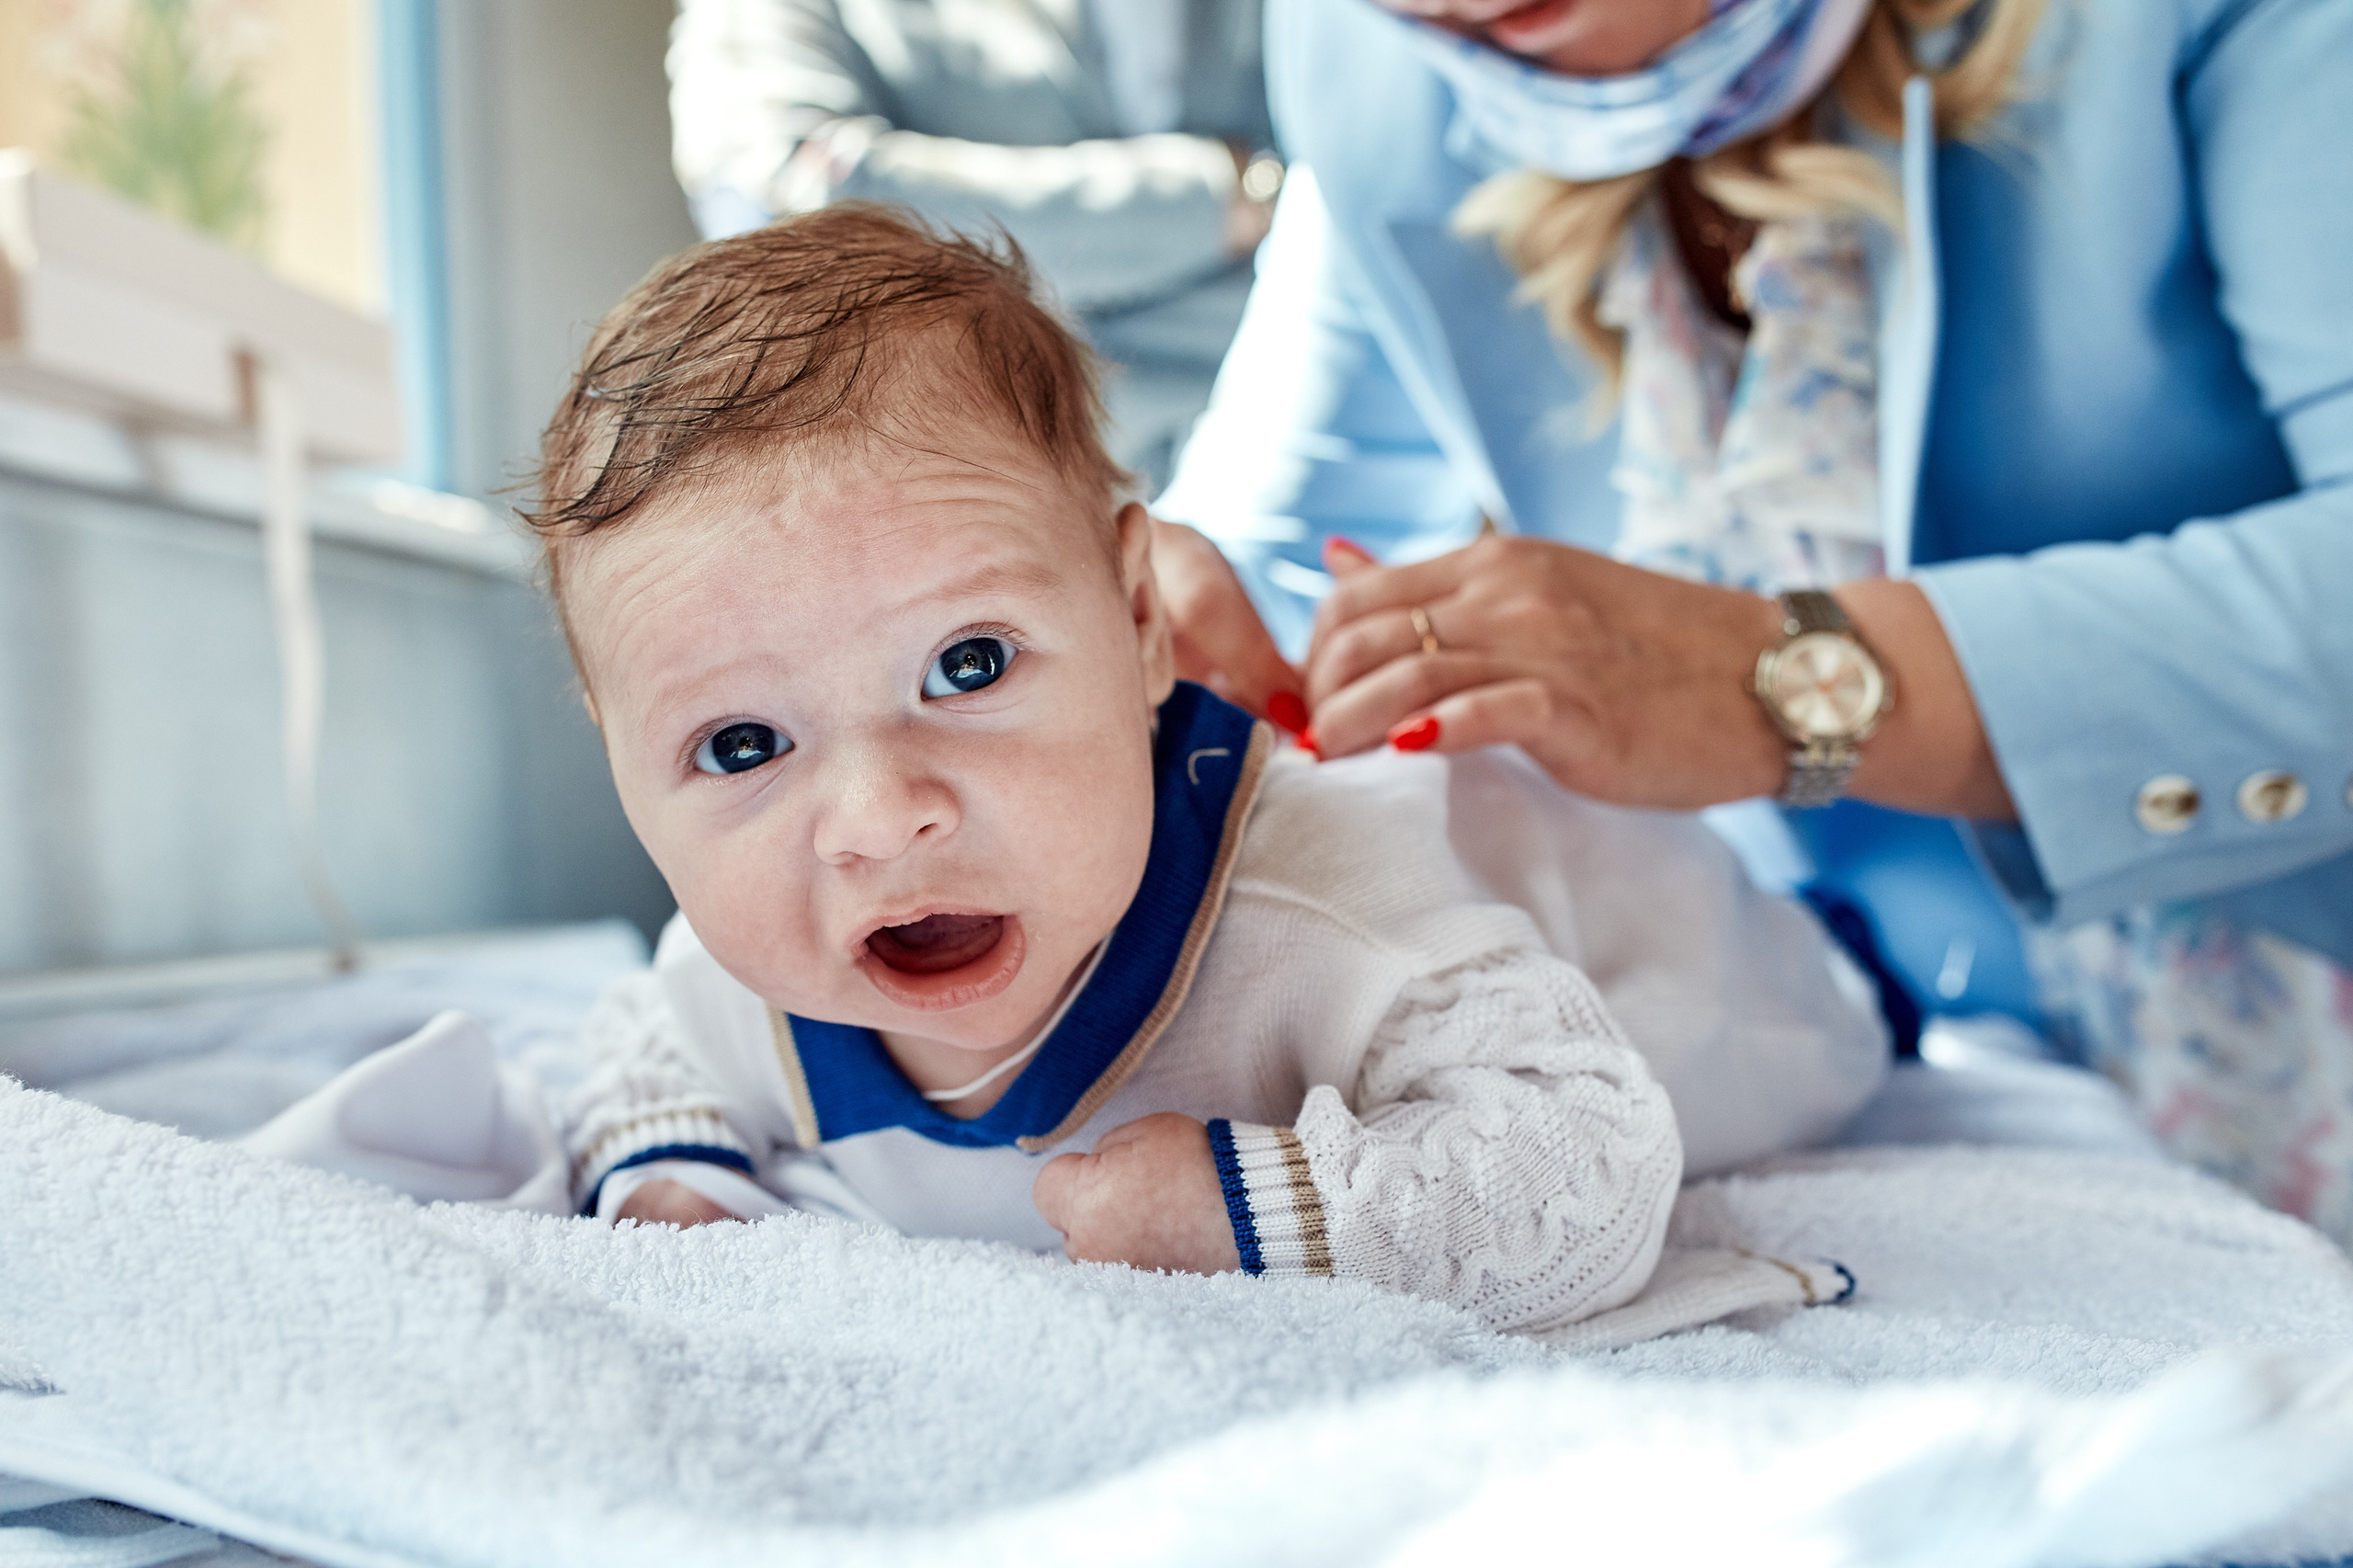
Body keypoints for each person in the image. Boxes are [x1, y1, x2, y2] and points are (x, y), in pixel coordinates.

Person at [523, 208, 1890, 1334]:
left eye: (969, 665)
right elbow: (644, 1038)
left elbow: (1589, 1162)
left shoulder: (1331, 906)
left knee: (1810, 1024)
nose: (882, 819)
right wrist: (668, 1176)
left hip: (1718, 970)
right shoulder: (756, 959)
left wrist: (1248, 1210)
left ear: (1137, 622)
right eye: (743, 745)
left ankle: (1857, 956)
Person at [1150, 0, 2353, 1241]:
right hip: (1840, 1057)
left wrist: (1785, 683)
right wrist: (1136, 612)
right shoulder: (1372, 61)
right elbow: (1279, 560)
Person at [667, 0, 1281, 491]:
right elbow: (817, 223)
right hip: (1096, 497)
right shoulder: (748, 20)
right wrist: (1217, 201)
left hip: (1320, 399)